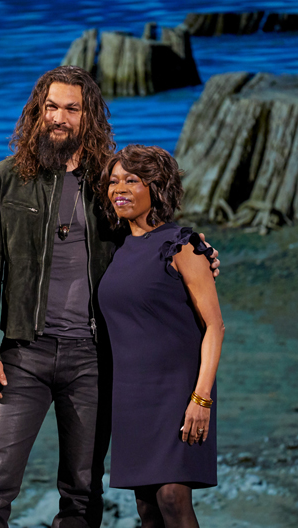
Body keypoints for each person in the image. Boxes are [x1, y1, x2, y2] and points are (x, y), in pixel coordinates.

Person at [0, 66, 220, 528]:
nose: (59, 118)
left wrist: (195, 250)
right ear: (37, 112)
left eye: (71, 109)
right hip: (23, 350)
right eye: (51, 107)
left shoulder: (108, 184)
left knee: (82, 490)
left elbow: (149, 234)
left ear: (90, 117)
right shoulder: (3, 179)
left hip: (95, 357)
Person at [98, 144, 224, 527]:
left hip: (178, 390)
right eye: (113, 180)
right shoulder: (116, 248)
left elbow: (215, 327)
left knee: (172, 497)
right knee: (147, 509)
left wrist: (201, 399)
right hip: (131, 394)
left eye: (131, 180)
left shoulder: (182, 244)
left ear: (157, 187)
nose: (119, 188)